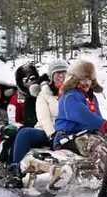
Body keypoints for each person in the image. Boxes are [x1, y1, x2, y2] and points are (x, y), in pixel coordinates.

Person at [6, 60, 68, 188]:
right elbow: (43, 117)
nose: (61, 76)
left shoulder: (73, 91)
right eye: (57, 73)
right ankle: (16, 170)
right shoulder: (44, 92)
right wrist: (52, 134)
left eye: (64, 72)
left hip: (68, 131)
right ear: (51, 76)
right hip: (48, 131)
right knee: (24, 133)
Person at [53, 59, 107, 152]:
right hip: (67, 138)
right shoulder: (70, 96)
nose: (87, 82)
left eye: (89, 79)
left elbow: (97, 117)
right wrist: (106, 125)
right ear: (75, 80)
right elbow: (84, 116)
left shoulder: (91, 97)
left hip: (86, 135)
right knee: (95, 145)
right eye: (83, 79)